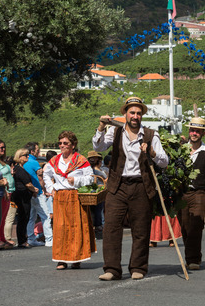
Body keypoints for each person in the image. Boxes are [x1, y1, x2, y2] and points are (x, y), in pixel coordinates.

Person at [93, 97, 169, 281]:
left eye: (138, 113)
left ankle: (138, 267)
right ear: (125, 114)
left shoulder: (151, 135)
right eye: (132, 112)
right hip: (117, 185)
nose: (135, 116)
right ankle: (112, 269)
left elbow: (164, 161)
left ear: (141, 115)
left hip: (141, 185)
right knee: (111, 227)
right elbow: (99, 146)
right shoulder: (115, 131)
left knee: (141, 229)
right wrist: (101, 128)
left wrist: (151, 152)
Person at [43, 131, 95, 270]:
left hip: (75, 195)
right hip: (60, 196)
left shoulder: (81, 160)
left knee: (75, 228)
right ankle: (61, 259)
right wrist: (51, 188)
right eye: (60, 143)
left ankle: (76, 258)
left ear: (73, 145)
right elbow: (45, 173)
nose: (62, 146)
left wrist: (76, 180)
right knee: (60, 228)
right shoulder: (54, 161)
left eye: (65, 143)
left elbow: (91, 178)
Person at [177, 117, 205, 269]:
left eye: (197, 131)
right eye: (192, 130)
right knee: (185, 226)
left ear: (202, 133)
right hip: (182, 193)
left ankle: (193, 259)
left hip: (199, 192)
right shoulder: (181, 149)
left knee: (196, 224)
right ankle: (191, 256)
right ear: (189, 132)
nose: (194, 133)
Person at [24, 142, 53, 247]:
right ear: (32, 151)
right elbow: (40, 177)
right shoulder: (34, 162)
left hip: (29, 192)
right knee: (45, 216)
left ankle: (31, 238)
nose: (39, 152)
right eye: (37, 150)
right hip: (37, 192)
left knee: (31, 217)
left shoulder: (24, 162)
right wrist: (44, 190)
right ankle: (49, 239)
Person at [12, 148, 39, 248]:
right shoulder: (19, 169)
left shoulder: (21, 168)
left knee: (25, 218)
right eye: (25, 155)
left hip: (25, 196)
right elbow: (27, 184)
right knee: (23, 218)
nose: (27, 156)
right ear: (20, 157)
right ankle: (22, 240)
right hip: (22, 196)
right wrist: (34, 189)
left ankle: (23, 238)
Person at [0, 140, 14, 249]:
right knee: (0, 217)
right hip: (3, 191)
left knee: (4, 216)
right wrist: (4, 189)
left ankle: (3, 237)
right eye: (1, 147)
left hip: (9, 191)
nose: (3, 149)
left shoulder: (2, 161)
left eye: (4, 147)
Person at [87, 150, 107, 239]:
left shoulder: (98, 172)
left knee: (98, 210)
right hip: (90, 192)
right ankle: (94, 228)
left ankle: (97, 227)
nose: (93, 159)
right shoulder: (88, 169)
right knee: (93, 211)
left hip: (97, 192)